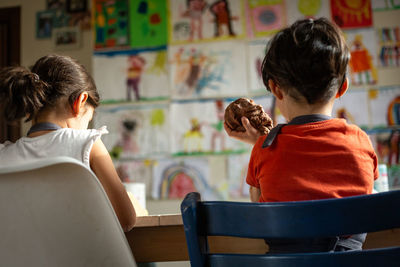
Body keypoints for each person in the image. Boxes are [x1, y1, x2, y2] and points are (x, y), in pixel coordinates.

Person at [224, 18, 378, 253]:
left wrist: (262, 145)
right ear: (342, 88)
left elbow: (261, 212)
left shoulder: (264, 149)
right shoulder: (360, 141)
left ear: (276, 89)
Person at [0, 54, 136, 232]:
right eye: (88, 118)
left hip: (19, 260)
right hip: (80, 259)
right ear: (79, 102)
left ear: (29, 109)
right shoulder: (88, 144)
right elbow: (126, 220)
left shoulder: (3, 156)